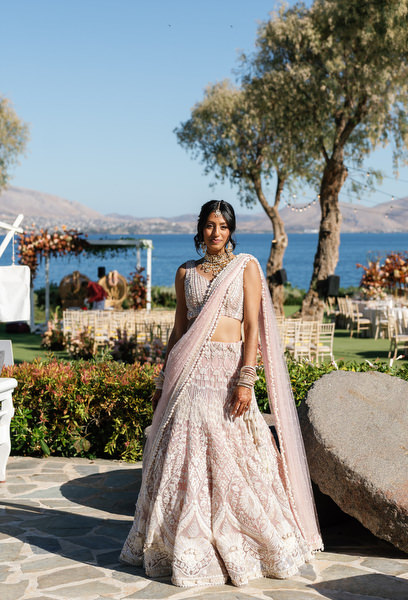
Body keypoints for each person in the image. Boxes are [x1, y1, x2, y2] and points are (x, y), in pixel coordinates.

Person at [120, 200, 322, 587]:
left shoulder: (244, 267)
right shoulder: (184, 272)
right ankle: (180, 539)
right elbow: (179, 330)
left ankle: (246, 533)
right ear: (200, 229)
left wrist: (247, 377)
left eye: (223, 226)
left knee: (236, 453)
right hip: (189, 371)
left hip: (228, 370)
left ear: (231, 230)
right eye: (210, 225)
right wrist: (163, 380)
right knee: (184, 450)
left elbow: (251, 324)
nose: (216, 233)